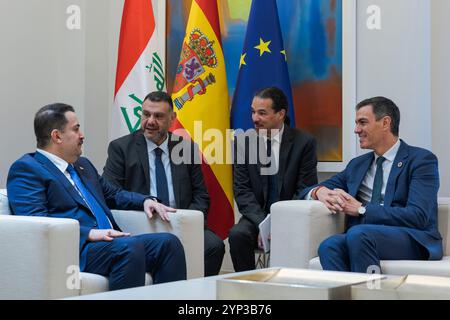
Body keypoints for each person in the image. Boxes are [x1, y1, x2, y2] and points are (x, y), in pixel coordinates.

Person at [7, 103, 187, 290]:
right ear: (57, 136)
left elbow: (113, 194)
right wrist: (90, 234)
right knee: (128, 248)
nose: (82, 135)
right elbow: (35, 221)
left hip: (113, 243)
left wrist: (145, 200)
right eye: (76, 129)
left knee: (168, 243)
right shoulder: (27, 169)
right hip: (78, 248)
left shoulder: (82, 165)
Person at [300, 96, 443, 273]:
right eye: (356, 123)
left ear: (385, 123)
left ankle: (371, 293)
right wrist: (319, 191)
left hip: (412, 237)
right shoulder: (357, 165)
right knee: (329, 246)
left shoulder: (421, 160)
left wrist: (362, 209)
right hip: (364, 236)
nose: (356, 130)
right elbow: (307, 190)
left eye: (362, 122)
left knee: (359, 234)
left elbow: (418, 216)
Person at [102, 91, 225, 276]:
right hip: (143, 223)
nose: (150, 121)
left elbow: (201, 196)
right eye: (146, 114)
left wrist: (185, 221)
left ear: (172, 118)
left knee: (214, 245)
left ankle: (196, 296)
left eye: (158, 116)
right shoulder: (121, 148)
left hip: (182, 221)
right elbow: (111, 194)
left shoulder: (185, 148)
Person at [230, 86, 318, 271]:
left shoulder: (304, 143)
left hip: (291, 216)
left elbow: (305, 189)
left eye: (262, 113)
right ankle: (246, 287)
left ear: (280, 114)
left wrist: (278, 222)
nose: (255, 118)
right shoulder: (243, 143)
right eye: (253, 112)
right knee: (238, 235)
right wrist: (264, 225)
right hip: (256, 216)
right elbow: (242, 191)